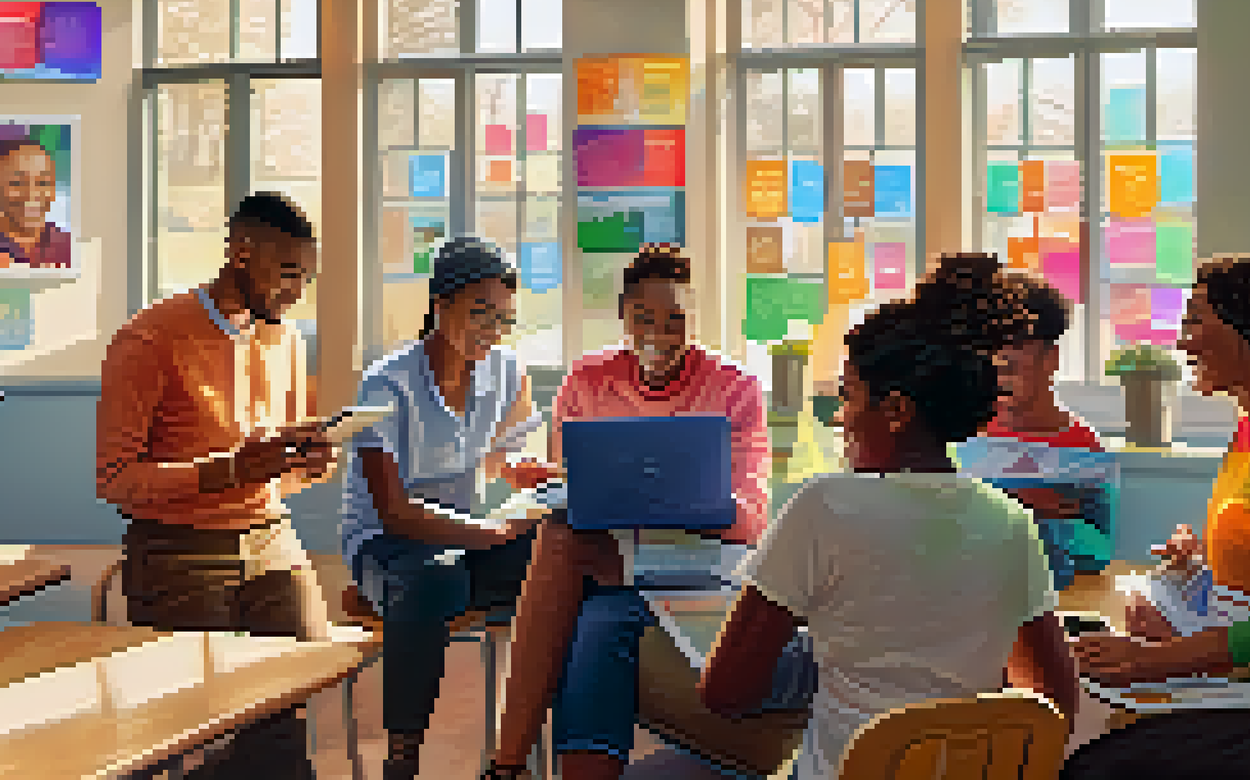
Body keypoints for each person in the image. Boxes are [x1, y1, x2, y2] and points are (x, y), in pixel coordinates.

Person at [696, 256, 1077, 779]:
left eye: (849, 397)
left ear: (896, 411)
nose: (841, 416)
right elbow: (1053, 705)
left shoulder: (823, 507)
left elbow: (727, 693)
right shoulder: (1011, 523)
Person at [482, 244, 780, 780]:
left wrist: (678, 493)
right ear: (623, 316)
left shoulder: (736, 387)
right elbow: (574, 489)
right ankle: (519, 767)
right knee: (590, 614)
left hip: (698, 560)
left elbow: (752, 518)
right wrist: (547, 478)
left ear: (694, 320)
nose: (660, 336)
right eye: (645, 319)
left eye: (676, 321)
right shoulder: (587, 380)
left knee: (566, 564)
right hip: (605, 561)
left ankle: (507, 765)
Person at [97, 192, 336, 779]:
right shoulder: (150, 339)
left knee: (289, 705)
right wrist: (232, 469)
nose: (295, 291)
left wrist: (307, 464)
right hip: (179, 552)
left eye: (305, 277)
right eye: (286, 273)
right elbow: (115, 480)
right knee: (206, 724)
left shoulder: (286, 339)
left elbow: (272, 468)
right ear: (240, 253)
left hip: (271, 538)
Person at [1064, 257, 1250, 779]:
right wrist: (1198, 566)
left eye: (1197, 321)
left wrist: (1155, 661)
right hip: (1245, 686)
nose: (1184, 343)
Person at [340, 237, 551, 780]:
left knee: (564, 556)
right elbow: (394, 512)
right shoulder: (386, 383)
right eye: (480, 312)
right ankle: (402, 759)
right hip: (394, 542)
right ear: (440, 304)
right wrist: (492, 531)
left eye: (503, 317)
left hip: (469, 542)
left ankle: (522, 754)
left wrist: (535, 476)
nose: (492, 329)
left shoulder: (507, 372)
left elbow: (505, 458)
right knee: (431, 582)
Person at [969, 270, 1114, 590]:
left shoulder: (1081, 448)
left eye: (1010, 364)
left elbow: (1098, 554)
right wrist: (1015, 503)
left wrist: (1038, 520)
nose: (998, 378)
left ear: (1051, 358)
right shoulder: (963, 439)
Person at [0, 138, 72, 269]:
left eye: (43, 183)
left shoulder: (67, 247)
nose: (31, 194)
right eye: (17, 183)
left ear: (53, 190)